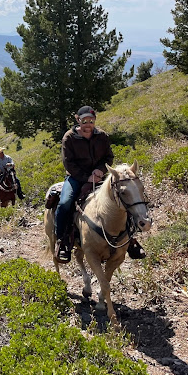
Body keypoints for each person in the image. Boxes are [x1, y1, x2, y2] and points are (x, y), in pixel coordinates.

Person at [54, 105, 145, 263]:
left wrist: (100, 170)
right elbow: (69, 163)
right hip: (76, 177)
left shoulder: (101, 135)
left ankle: (130, 239)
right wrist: (86, 177)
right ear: (78, 120)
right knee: (64, 203)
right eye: (84, 121)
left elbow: (108, 157)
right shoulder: (69, 137)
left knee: (122, 198)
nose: (88, 124)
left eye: (91, 121)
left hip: (99, 176)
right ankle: (62, 241)